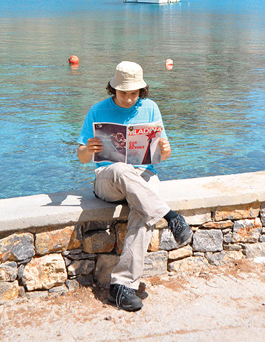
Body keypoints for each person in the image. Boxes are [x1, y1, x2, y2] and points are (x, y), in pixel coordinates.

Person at [77, 61, 192, 312]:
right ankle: (170, 216)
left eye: (134, 93)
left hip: (143, 175)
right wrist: (89, 149)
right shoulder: (97, 111)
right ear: (113, 89)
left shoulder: (151, 108)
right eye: (123, 93)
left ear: (142, 90)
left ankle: (120, 287)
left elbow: (164, 152)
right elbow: (82, 156)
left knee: (142, 209)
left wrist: (166, 150)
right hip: (109, 178)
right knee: (121, 169)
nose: (129, 98)